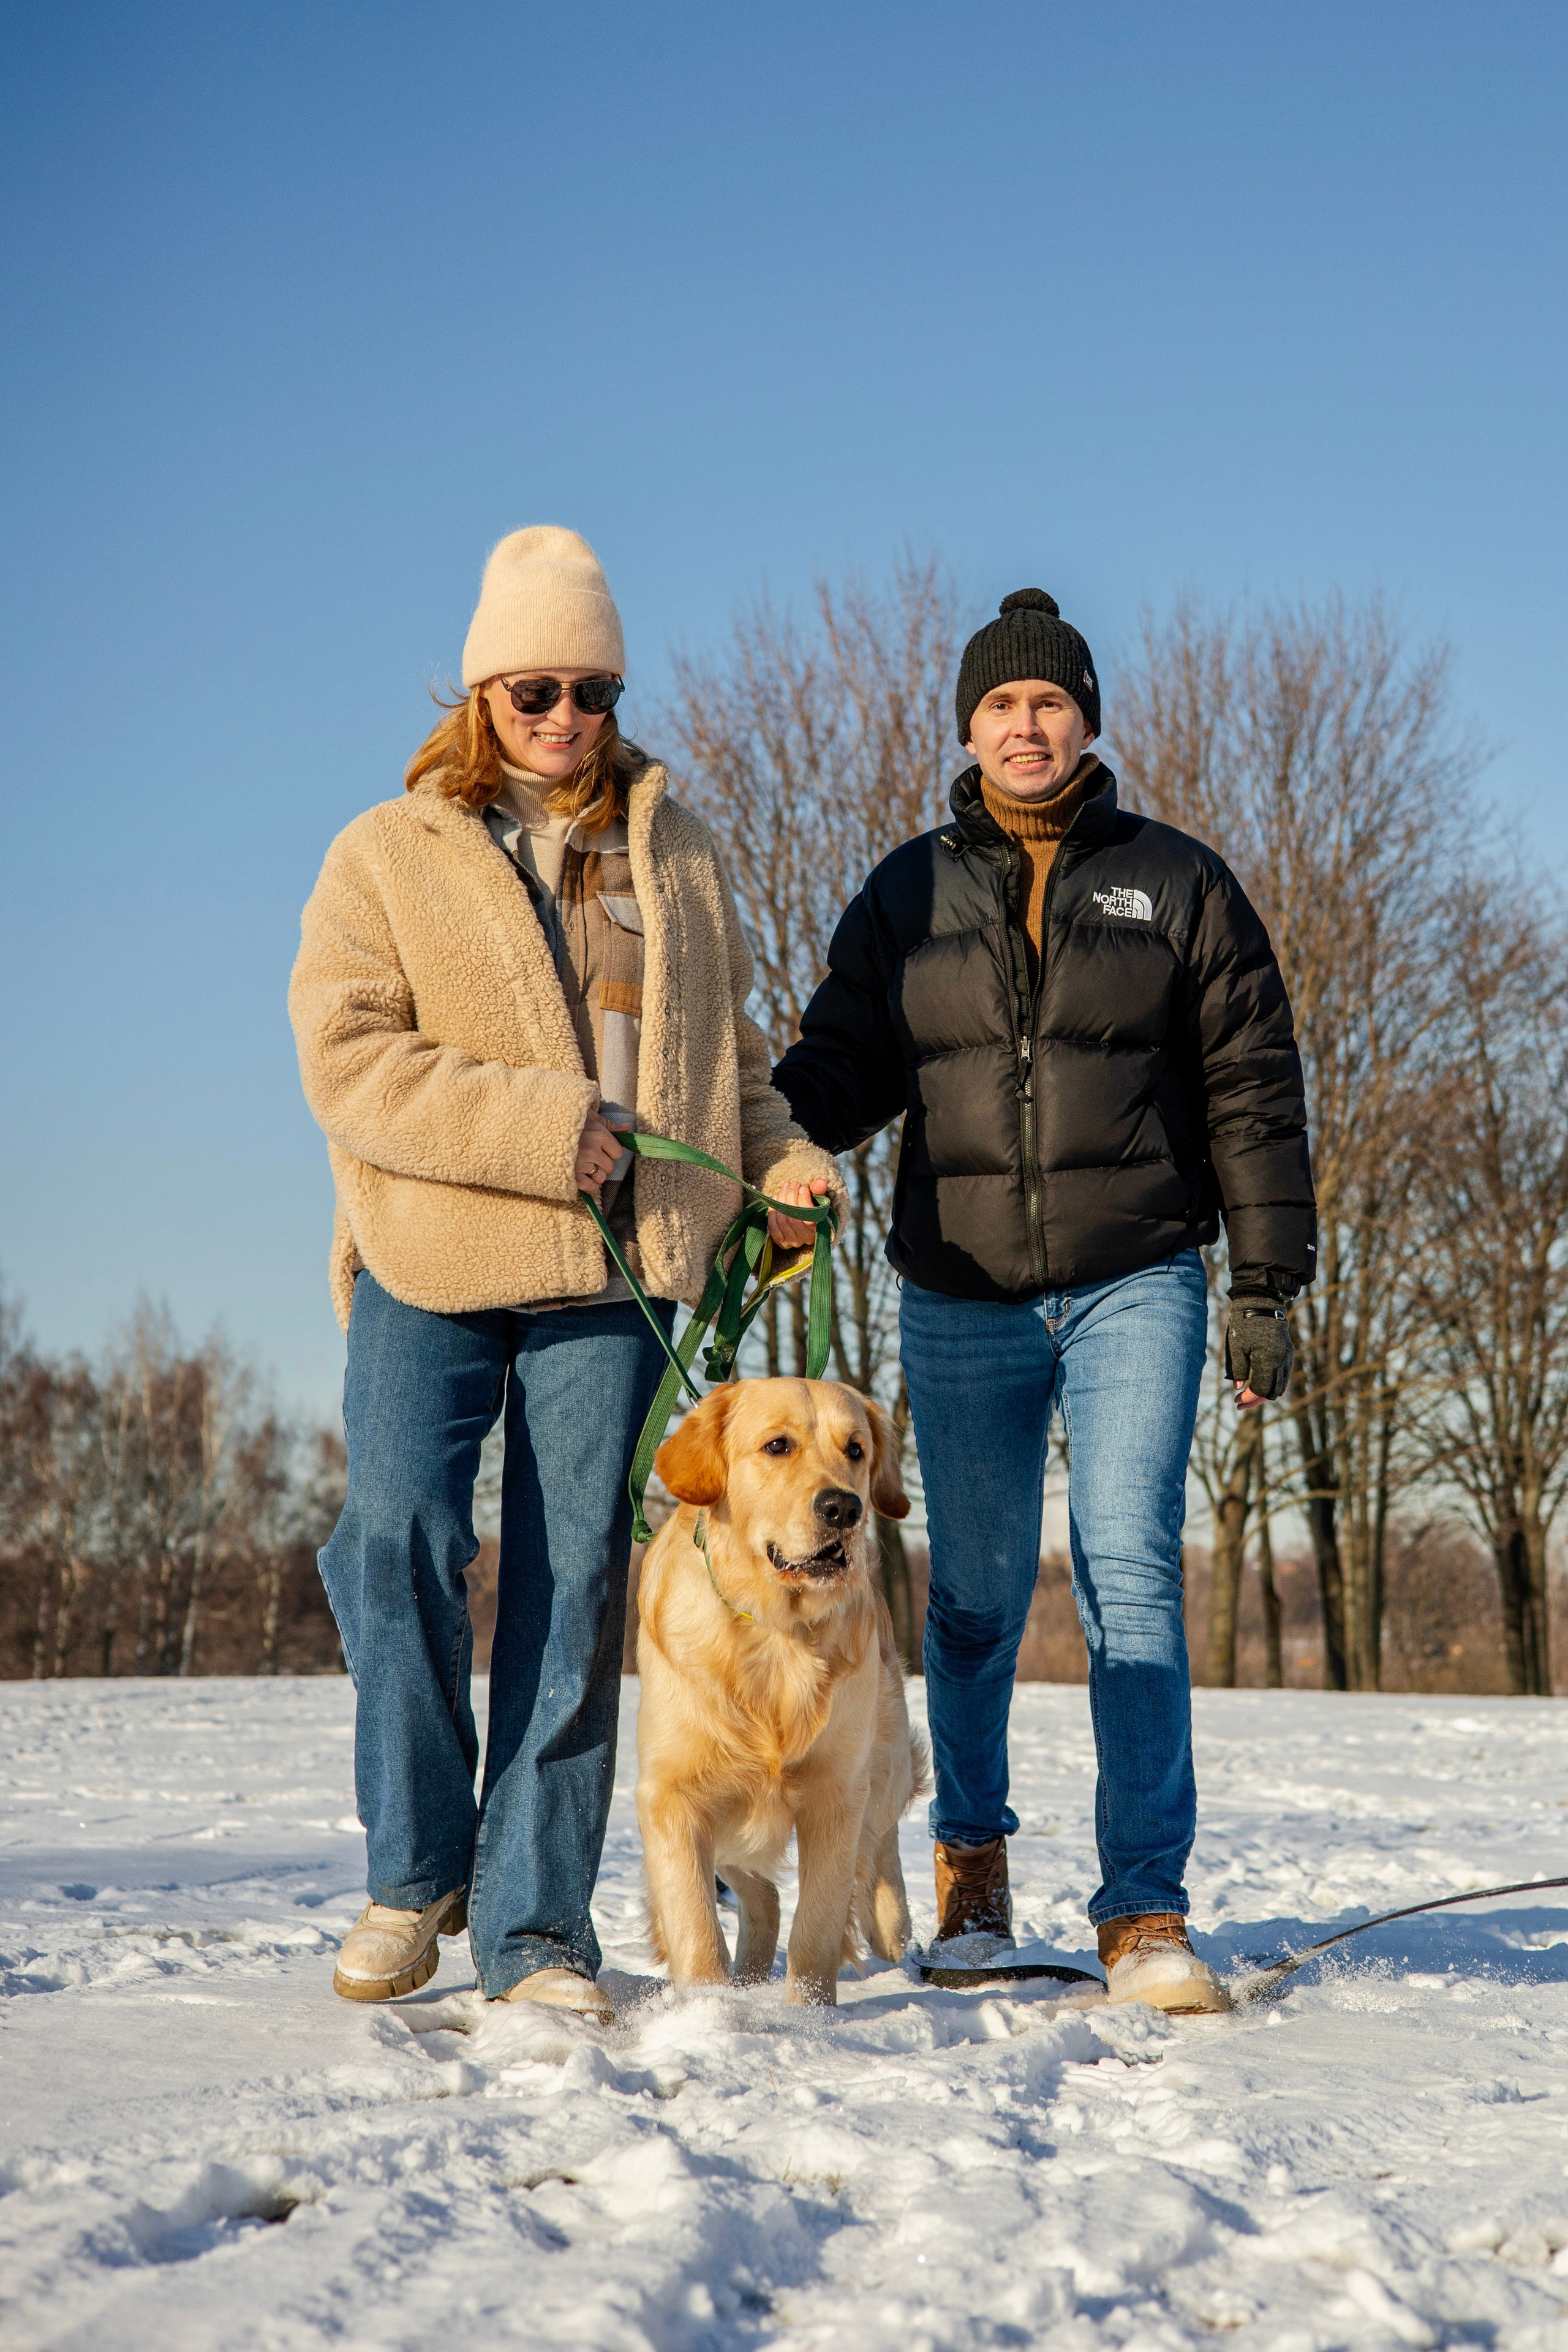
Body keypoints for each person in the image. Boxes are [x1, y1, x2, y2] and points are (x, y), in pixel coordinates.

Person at [290, 526, 841, 2018]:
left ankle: (536, 1927)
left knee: (574, 1576)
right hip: (434, 1247)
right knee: (394, 1537)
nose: (563, 718)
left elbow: (723, 1061)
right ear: (481, 693)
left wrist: (782, 1161)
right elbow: (349, 1062)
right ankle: (416, 1879)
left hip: (619, 1271)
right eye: (533, 687)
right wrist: (552, 1129)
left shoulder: (679, 849)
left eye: (591, 689)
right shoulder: (382, 852)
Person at [773, 587, 1314, 2011]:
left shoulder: (1178, 880)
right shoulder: (903, 892)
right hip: (959, 1291)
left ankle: (1143, 1910)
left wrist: (1263, 1277)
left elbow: (1252, 1085)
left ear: (1086, 721)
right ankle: (969, 1874)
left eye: (1049, 703)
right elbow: (841, 1059)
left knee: (1130, 1569)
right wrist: (767, 1143)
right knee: (972, 1597)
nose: (1027, 726)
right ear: (967, 726)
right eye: (1001, 705)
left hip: (1135, 1271)